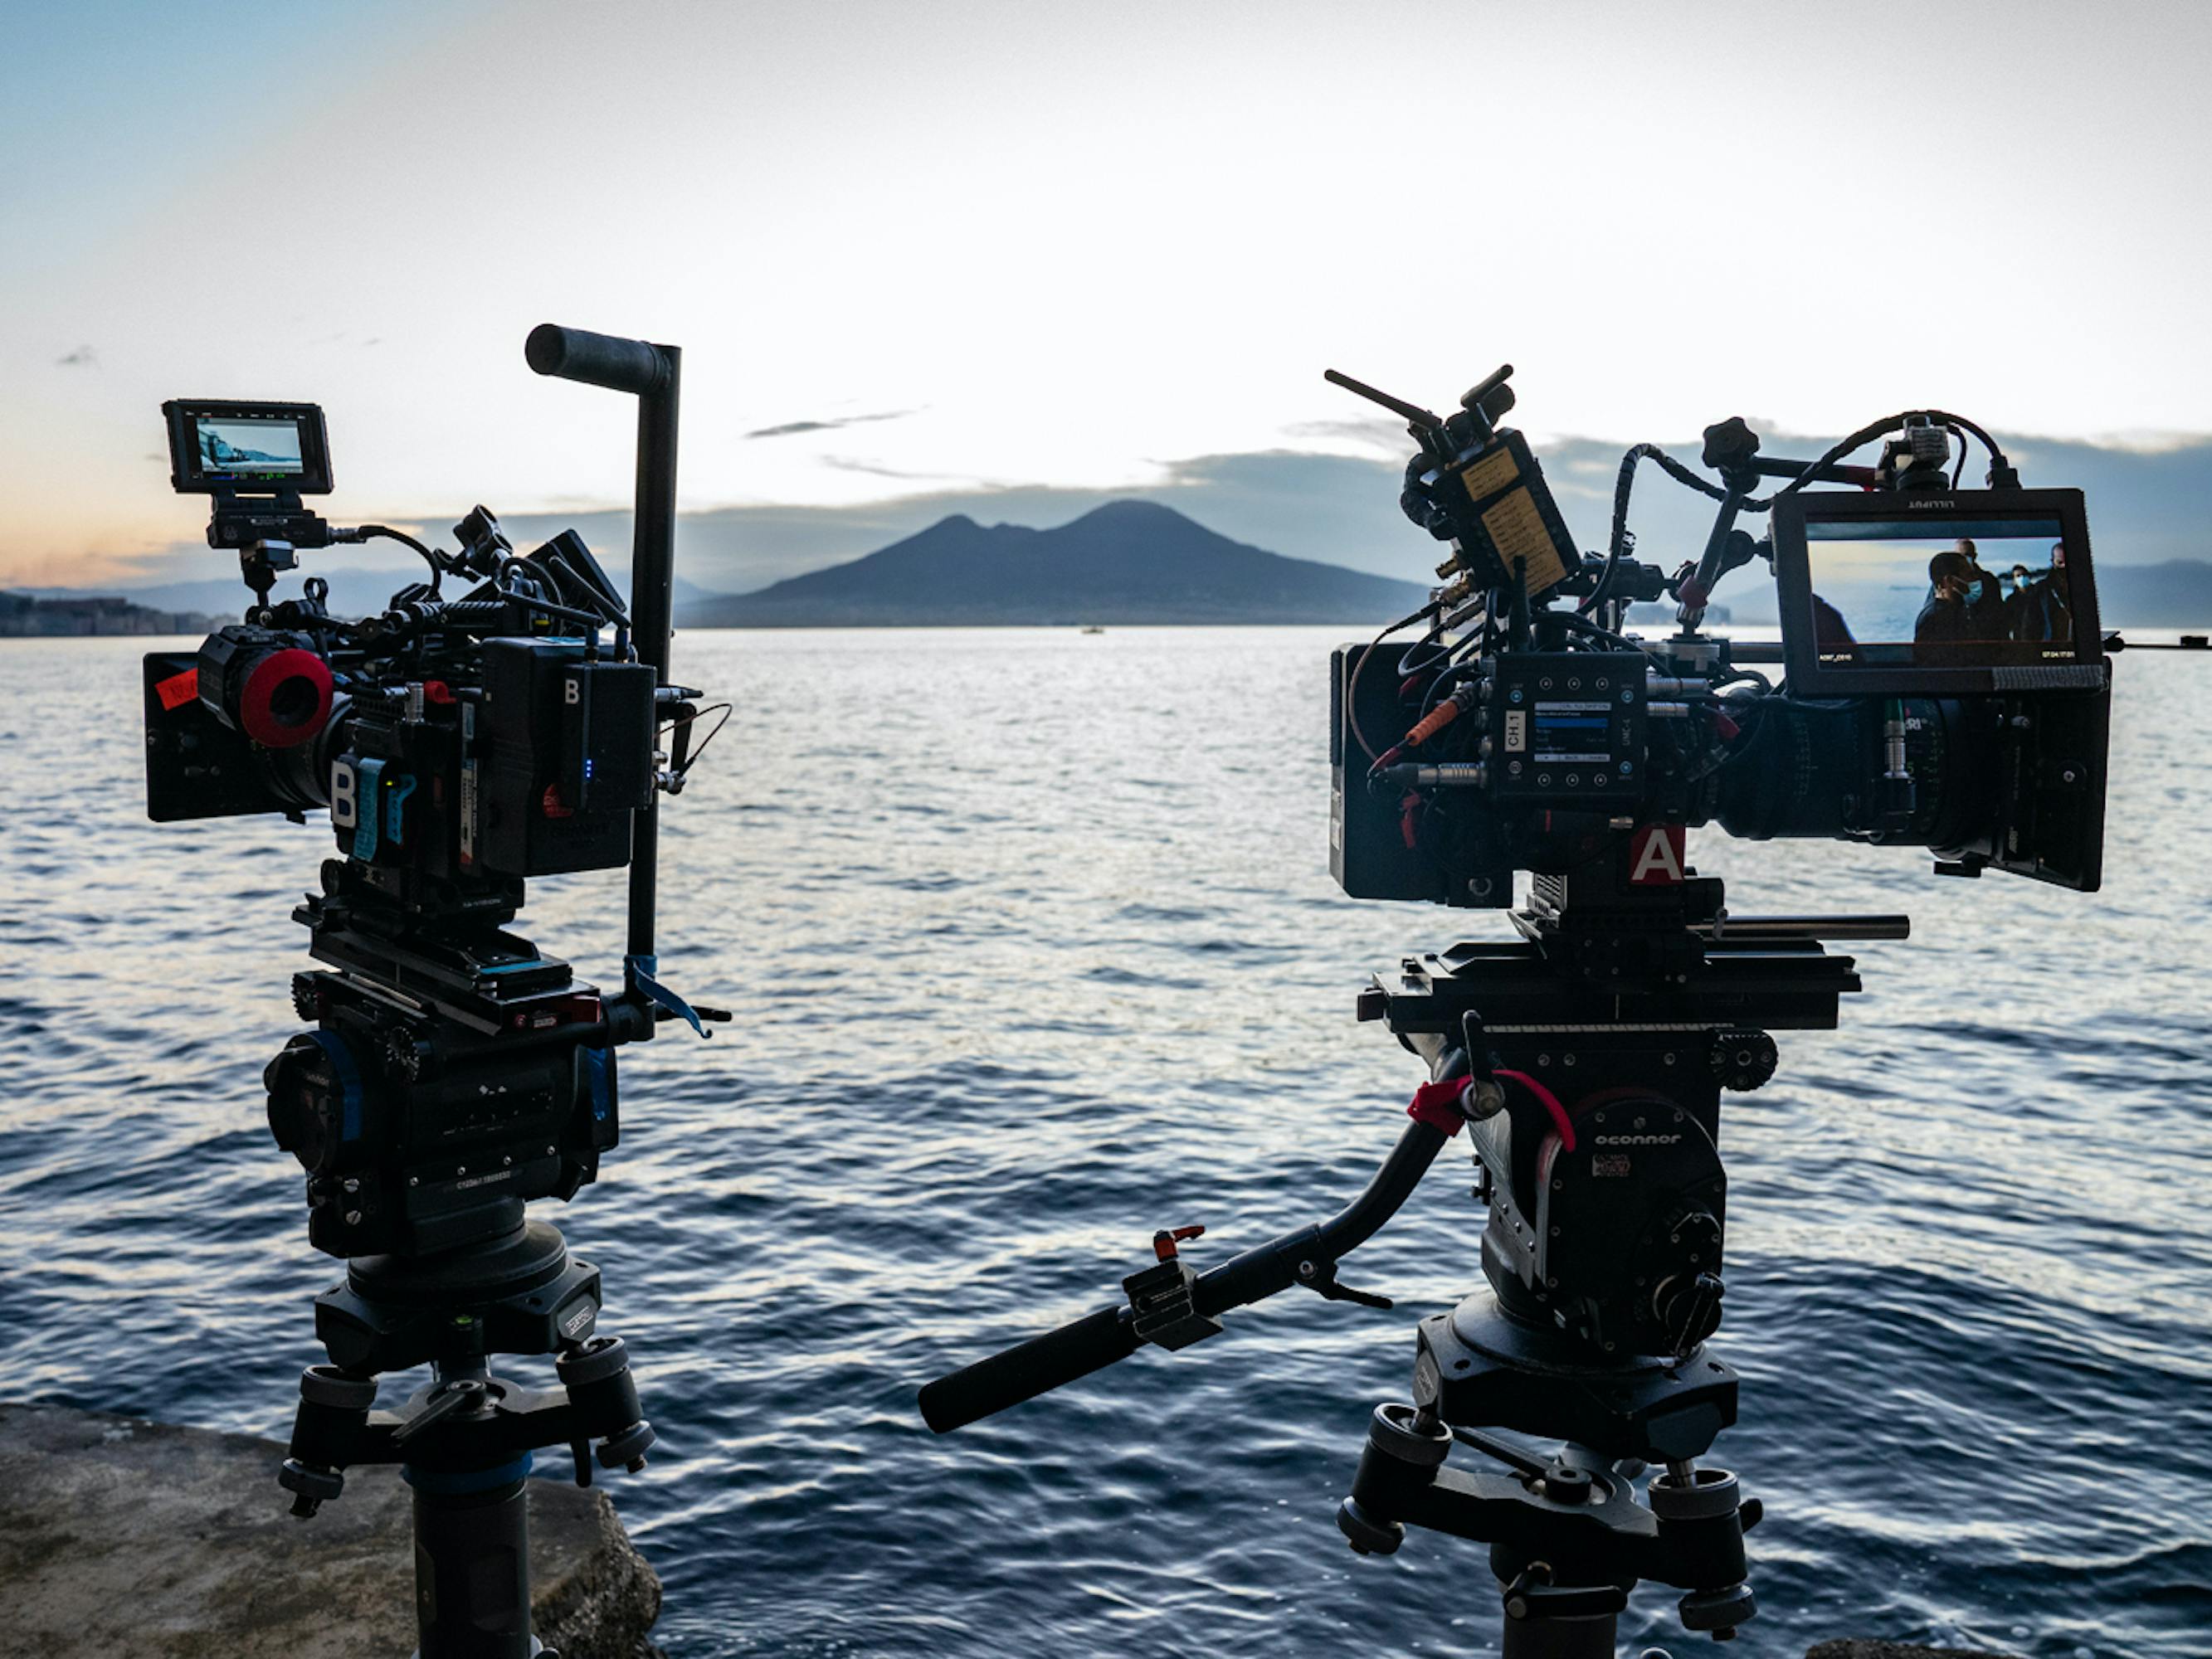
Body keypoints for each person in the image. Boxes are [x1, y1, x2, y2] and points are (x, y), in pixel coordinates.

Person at [1915, 550, 1977, 645]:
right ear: (1948, 580)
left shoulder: (1956, 609)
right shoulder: (1935, 617)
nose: (1975, 579)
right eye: (1969, 575)